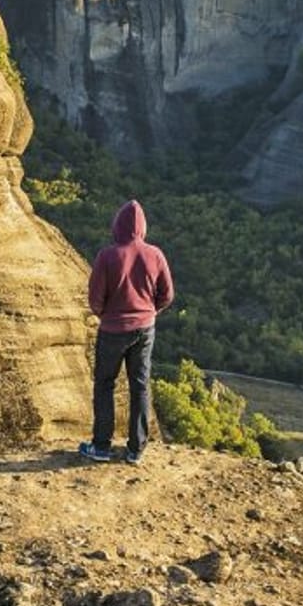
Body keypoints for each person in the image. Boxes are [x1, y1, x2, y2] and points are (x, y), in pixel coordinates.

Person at [80, 199, 174, 464]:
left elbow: (95, 297)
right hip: (145, 329)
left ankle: (101, 447)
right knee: (140, 386)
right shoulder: (155, 254)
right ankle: (136, 450)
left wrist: (106, 315)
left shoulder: (107, 255)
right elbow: (167, 294)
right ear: (143, 227)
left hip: (112, 330)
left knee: (105, 385)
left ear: (117, 226)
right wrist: (150, 312)